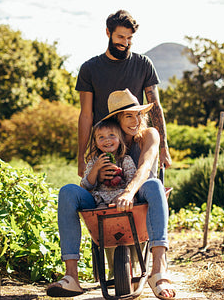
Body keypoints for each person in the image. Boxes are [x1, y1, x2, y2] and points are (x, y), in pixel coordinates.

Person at [47, 89, 175, 300]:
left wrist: (127, 193)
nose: (136, 120)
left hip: (140, 197)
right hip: (101, 200)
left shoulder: (149, 134)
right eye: (128, 116)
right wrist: (97, 174)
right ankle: (71, 277)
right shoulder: (103, 141)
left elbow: (144, 168)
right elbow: (87, 181)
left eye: (138, 114)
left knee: (154, 184)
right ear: (117, 118)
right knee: (67, 191)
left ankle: (158, 271)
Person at [76, 9, 171, 179]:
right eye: (120, 37)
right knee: (105, 197)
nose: (125, 43)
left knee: (144, 189)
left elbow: (155, 107)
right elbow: (86, 115)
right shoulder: (89, 69)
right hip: (105, 144)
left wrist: (163, 148)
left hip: (136, 141)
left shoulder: (143, 64)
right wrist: (81, 157)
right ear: (108, 33)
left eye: (129, 38)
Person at [81, 119, 137, 206]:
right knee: (100, 209)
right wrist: (96, 168)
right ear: (96, 143)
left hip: (120, 196)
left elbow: (131, 181)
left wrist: (119, 177)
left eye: (111, 135)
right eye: (101, 137)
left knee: (121, 201)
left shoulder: (125, 160)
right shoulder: (94, 161)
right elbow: (86, 186)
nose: (107, 140)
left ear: (120, 139)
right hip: (100, 199)